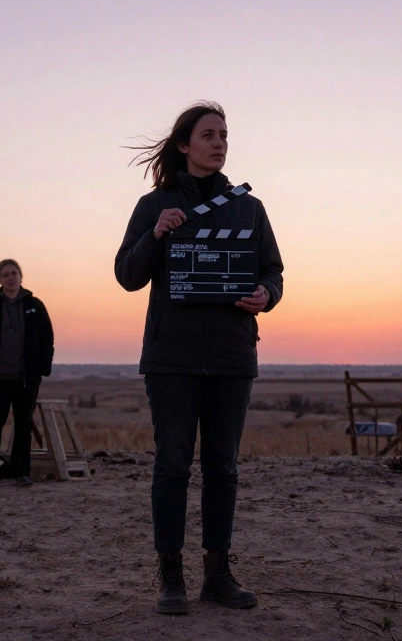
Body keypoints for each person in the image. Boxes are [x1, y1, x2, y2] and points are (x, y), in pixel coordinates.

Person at [114, 102, 283, 614]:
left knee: (223, 466)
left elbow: (273, 271)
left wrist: (264, 294)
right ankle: (171, 575)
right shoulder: (154, 204)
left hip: (233, 355)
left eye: (225, 135)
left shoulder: (248, 207)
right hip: (171, 358)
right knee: (171, 464)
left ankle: (217, 574)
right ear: (184, 144)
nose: (219, 142)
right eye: (208, 134)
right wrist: (156, 235)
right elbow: (126, 275)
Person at [0, 259, 54, 488]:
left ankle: (21, 473)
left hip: (26, 379)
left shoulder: (35, 305)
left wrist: (42, 367)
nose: (10, 278)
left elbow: (47, 337)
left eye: (14, 273)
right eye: (5, 274)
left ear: (21, 276)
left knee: (23, 426)